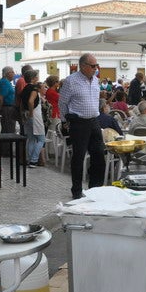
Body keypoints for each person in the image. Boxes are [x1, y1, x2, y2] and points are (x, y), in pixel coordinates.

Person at [58, 53, 106, 199]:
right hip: (79, 122)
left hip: (94, 121)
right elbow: (62, 102)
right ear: (83, 66)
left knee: (99, 155)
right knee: (78, 157)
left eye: (96, 65)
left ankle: (95, 188)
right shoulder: (71, 81)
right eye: (93, 66)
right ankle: (77, 190)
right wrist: (65, 120)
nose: (95, 68)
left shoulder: (96, 81)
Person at [19, 70, 46, 168]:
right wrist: (31, 113)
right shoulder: (34, 88)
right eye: (37, 76)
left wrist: (23, 114)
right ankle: (34, 160)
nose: (38, 77)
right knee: (41, 139)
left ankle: (29, 159)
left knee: (31, 138)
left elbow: (22, 103)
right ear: (33, 78)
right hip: (34, 115)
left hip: (26, 114)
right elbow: (31, 101)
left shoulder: (25, 88)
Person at [0, 66, 17, 136]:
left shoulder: (6, 82)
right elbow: (0, 97)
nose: (14, 74)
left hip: (8, 109)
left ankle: (7, 146)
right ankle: (6, 146)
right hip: (7, 109)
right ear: (8, 73)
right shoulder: (4, 82)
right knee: (8, 130)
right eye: (12, 72)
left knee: (9, 129)